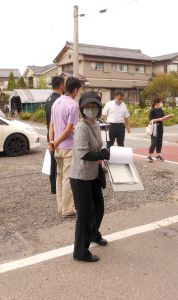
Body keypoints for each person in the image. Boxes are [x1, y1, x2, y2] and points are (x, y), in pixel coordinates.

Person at [70, 91, 110, 262]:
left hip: (93, 173)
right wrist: (101, 154)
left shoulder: (95, 123)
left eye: (94, 106)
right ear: (82, 109)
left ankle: (93, 234)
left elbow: (97, 147)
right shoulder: (81, 127)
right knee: (85, 214)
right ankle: (80, 251)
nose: (91, 109)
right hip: (80, 176)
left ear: (99, 109)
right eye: (87, 106)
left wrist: (104, 153)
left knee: (99, 207)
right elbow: (82, 153)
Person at [48, 77, 81, 217]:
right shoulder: (73, 105)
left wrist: (52, 142)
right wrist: (55, 142)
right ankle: (67, 209)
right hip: (68, 146)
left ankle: (60, 207)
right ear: (76, 90)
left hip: (57, 147)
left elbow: (52, 125)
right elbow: (68, 130)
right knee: (67, 177)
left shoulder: (56, 102)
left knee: (59, 177)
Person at [44, 76, 65, 194]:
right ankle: (59, 187)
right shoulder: (60, 100)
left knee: (53, 163)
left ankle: (54, 188)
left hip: (50, 135)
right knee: (61, 164)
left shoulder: (48, 99)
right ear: (61, 85)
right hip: (60, 137)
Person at [146, 98, 174, 162]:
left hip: (160, 127)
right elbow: (150, 120)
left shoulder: (161, 110)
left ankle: (158, 155)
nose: (161, 104)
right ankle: (149, 155)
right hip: (154, 127)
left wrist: (169, 117)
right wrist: (159, 119)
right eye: (160, 102)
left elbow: (163, 118)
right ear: (156, 103)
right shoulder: (152, 110)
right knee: (154, 141)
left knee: (159, 141)